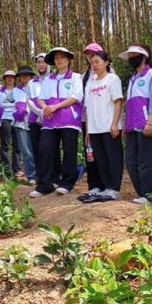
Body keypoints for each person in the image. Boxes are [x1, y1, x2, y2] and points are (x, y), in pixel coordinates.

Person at [30, 47, 84, 198]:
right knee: (45, 150)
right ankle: (45, 184)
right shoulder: (48, 80)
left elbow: (76, 97)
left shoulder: (75, 77)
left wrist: (56, 106)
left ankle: (67, 183)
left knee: (69, 151)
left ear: (68, 60)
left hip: (69, 120)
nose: (59, 60)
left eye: (62, 57)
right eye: (56, 58)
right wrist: (45, 107)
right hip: (50, 121)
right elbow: (41, 98)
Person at [119, 44, 152, 204]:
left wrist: (150, 121)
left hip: (146, 125)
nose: (131, 59)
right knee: (131, 161)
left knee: (147, 161)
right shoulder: (132, 78)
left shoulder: (151, 74)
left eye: (134, 56)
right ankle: (143, 193)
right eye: (129, 57)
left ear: (143, 57)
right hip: (132, 126)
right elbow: (129, 103)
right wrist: (125, 124)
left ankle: (150, 195)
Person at [83, 51, 124, 200]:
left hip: (109, 126)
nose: (94, 65)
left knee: (113, 157)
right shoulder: (90, 83)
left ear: (106, 62)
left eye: (97, 61)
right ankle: (105, 187)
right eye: (92, 62)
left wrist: (115, 123)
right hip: (94, 128)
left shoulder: (112, 79)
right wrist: (88, 130)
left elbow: (118, 101)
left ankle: (114, 188)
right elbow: (87, 108)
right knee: (100, 159)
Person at [81, 43, 106, 194]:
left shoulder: (109, 73)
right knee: (90, 152)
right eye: (88, 54)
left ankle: (105, 184)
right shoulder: (84, 76)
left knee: (103, 152)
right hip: (87, 120)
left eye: (93, 53)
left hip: (103, 119)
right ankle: (94, 185)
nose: (91, 57)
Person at [0, 69, 23, 177]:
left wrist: (5, 105)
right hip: (5, 118)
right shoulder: (0, 92)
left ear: (15, 79)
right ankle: (7, 168)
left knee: (17, 145)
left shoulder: (19, 91)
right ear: (5, 79)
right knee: (5, 144)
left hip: (17, 118)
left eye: (12, 77)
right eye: (7, 77)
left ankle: (17, 169)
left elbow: (21, 104)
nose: (10, 79)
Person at [11, 65, 38, 184]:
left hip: (37, 120)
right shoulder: (16, 90)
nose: (25, 77)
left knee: (38, 149)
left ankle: (42, 173)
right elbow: (4, 102)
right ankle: (31, 175)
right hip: (22, 122)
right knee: (26, 150)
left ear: (32, 76)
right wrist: (14, 111)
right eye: (22, 75)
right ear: (19, 78)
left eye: (27, 75)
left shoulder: (37, 87)